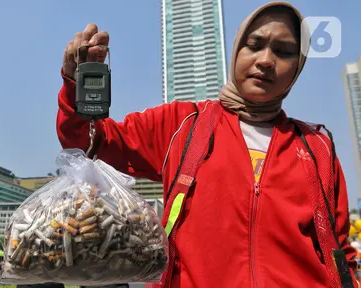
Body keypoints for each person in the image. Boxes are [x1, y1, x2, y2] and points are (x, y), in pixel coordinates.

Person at [56, 2, 358, 288]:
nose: (266, 60)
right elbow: (90, 141)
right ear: (237, 50)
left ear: (297, 67)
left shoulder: (317, 149)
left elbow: (340, 252)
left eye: (284, 52)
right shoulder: (182, 124)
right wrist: (75, 87)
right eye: (254, 46)